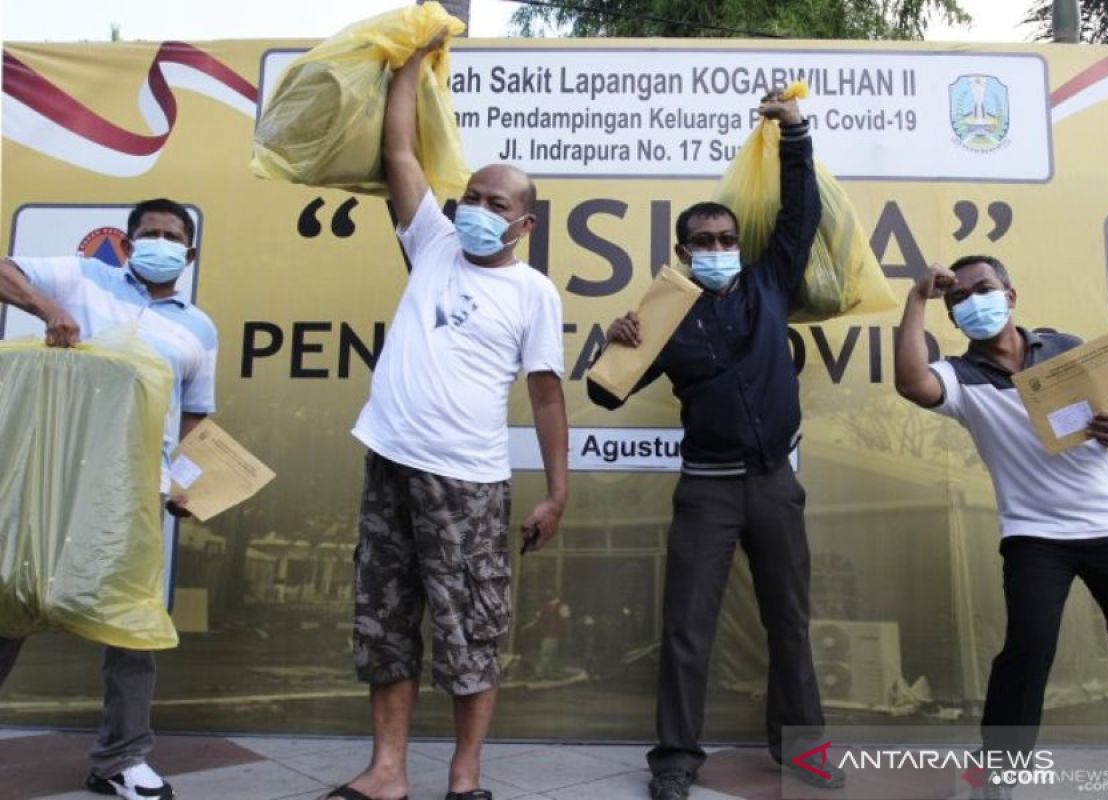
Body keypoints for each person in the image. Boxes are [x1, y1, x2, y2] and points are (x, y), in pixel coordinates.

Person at [329, 33, 568, 800]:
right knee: (385, 622)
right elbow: (399, 151)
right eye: (472, 196)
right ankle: (387, 773)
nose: (476, 210)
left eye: (496, 203)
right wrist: (410, 61)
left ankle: (465, 779)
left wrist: (556, 490)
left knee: (471, 630)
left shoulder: (533, 293)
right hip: (390, 462)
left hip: (468, 483)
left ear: (523, 224)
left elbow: (545, 395)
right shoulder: (431, 242)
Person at [588, 92, 843, 799]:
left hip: (773, 485)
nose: (718, 250)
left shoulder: (768, 282)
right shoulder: (662, 312)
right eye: (703, 241)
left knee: (789, 620)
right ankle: (674, 759)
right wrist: (616, 345)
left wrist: (793, 133)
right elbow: (605, 395)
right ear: (682, 251)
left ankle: (802, 749)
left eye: (726, 239)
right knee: (687, 629)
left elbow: (802, 212)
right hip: (705, 489)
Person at [894, 255, 1108, 797]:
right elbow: (912, 382)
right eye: (957, 298)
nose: (971, 302)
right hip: (1036, 537)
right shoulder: (958, 377)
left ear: (1010, 296)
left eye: (982, 289)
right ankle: (1000, 773)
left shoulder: (1067, 349)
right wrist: (917, 298)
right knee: (1028, 649)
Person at [0, 197, 217, 800]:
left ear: (189, 252)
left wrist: (187, 481)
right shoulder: (81, 277)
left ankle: (120, 760)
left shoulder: (199, 328)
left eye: (172, 236)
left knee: (132, 627)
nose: (160, 242)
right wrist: (47, 308)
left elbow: (195, 415)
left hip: (135, 495)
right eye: (149, 233)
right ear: (126, 242)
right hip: (54, 478)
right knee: (7, 603)